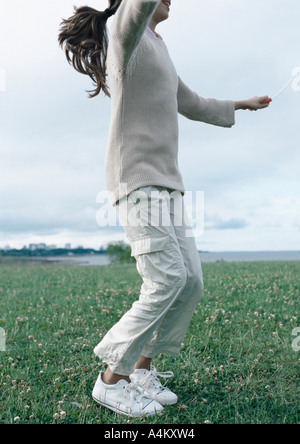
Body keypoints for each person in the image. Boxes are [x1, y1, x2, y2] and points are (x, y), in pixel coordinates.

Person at [58, 0, 271, 418]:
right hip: (135, 177)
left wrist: (241, 104)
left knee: (190, 280)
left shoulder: (160, 48)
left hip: (168, 183)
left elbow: (190, 102)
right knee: (166, 277)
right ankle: (110, 380)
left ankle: (142, 371)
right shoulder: (125, 31)